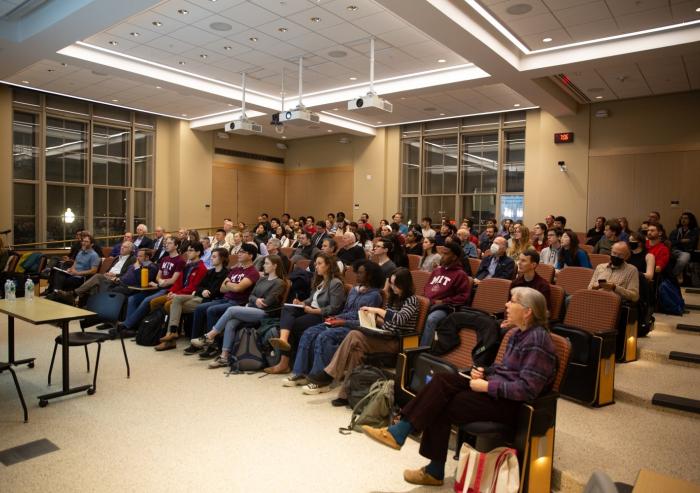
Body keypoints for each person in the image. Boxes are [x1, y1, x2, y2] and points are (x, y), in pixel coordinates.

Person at [362, 287, 557, 487]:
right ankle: (400, 433)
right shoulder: (518, 334)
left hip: (511, 405)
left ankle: (430, 467)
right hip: (495, 390)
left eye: (513, 301)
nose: (507, 304)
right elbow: (506, 369)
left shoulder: (538, 340)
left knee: (441, 403)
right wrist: (485, 372)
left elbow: (527, 389)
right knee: (441, 381)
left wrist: (487, 386)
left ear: (528, 311)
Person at [314, 267, 420, 405]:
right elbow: (386, 321)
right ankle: (346, 395)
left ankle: (330, 373)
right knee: (355, 350)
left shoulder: (412, 300)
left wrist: (376, 310)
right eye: (391, 283)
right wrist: (371, 319)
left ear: (404, 284)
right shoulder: (393, 298)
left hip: (396, 341)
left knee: (354, 335)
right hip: (383, 334)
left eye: (396, 284)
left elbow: (399, 319)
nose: (393, 287)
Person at [282, 260, 385, 393]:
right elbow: (346, 311)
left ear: (370, 276)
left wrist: (343, 322)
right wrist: (336, 318)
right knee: (309, 332)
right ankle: (300, 372)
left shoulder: (375, 295)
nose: (356, 275)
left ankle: (320, 381)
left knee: (324, 337)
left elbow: (366, 322)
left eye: (360, 273)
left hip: (354, 328)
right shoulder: (354, 290)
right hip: (341, 321)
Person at [265, 253, 346, 374]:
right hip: (310, 310)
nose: (316, 266)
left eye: (319, 264)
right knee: (287, 308)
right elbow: (311, 299)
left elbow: (334, 308)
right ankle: (283, 339)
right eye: (315, 264)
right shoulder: (320, 281)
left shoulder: (335, 283)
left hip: (321, 315)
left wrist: (314, 310)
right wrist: (301, 302)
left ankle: (284, 363)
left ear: (328, 266)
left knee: (293, 324)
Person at [202, 255, 286, 369]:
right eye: (264, 263)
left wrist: (257, 300)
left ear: (275, 266)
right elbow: (251, 296)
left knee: (231, 310)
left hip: (265, 313)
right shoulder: (262, 279)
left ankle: (210, 335)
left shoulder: (279, 282)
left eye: (267, 263)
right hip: (253, 308)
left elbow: (268, 302)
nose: (263, 265)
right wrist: (256, 299)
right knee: (231, 322)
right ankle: (224, 357)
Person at [195, 244, 261, 360]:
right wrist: (231, 285)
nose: (238, 254)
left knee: (211, 310)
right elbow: (222, 288)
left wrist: (228, 284)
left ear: (250, 256)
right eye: (239, 251)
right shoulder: (236, 269)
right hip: (225, 299)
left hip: (238, 302)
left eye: (242, 252)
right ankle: (203, 341)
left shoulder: (252, 272)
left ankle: (213, 345)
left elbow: (239, 288)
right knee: (201, 307)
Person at [149, 242, 209, 350]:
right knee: (154, 302)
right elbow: (178, 283)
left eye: (191, 250)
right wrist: (172, 292)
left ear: (198, 252)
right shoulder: (187, 266)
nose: (188, 252)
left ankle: (169, 338)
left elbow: (193, 287)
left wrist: (176, 294)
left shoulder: (202, 268)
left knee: (168, 305)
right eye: (188, 250)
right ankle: (156, 331)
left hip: (188, 296)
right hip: (178, 293)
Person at [118, 237, 184, 333]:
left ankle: (127, 324)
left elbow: (174, 280)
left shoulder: (180, 261)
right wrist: (159, 281)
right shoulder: (164, 259)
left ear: (176, 246)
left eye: (170, 243)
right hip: (158, 287)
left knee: (147, 300)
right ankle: (132, 326)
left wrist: (161, 283)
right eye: (166, 243)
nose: (166, 245)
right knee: (132, 298)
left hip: (169, 289)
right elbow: (158, 276)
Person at [420, 242, 471, 347]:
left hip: (445, 307)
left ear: (454, 257)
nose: (442, 256)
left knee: (431, 319)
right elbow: (426, 288)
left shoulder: (460, 274)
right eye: (442, 253)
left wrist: (444, 301)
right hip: (429, 303)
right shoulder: (437, 271)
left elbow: (463, 297)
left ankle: (422, 350)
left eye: (446, 254)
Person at [67, 241, 136, 303]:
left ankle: (75, 293)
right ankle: (92, 307)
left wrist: (115, 275)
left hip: (117, 279)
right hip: (108, 277)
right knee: (95, 285)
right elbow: (109, 269)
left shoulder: (132, 259)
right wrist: (107, 273)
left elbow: (127, 274)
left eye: (125, 247)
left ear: (130, 249)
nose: (122, 248)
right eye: (122, 246)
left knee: (97, 277)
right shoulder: (117, 258)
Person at [669, 212, 699, 280]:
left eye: (686, 218)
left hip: (687, 252)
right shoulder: (675, 231)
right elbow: (671, 242)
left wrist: (677, 241)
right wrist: (681, 241)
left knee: (684, 258)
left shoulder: (694, 231)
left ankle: (673, 276)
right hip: (674, 251)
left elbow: (691, 242)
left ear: (690, 220)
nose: (683, 220)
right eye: (682, 218)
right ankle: (676, 275)